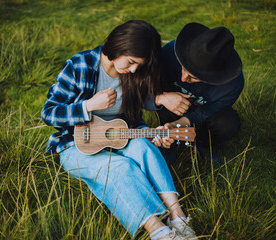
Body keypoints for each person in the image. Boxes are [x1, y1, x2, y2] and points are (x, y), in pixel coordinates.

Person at [41, 20, 197, 240]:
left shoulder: (133, 75)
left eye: (138, 66)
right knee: (118, 167)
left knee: (144, 147)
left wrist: (155, 135)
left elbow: (132, 122)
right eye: (132, 62)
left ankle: (177, 216)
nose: (133, 69)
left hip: (119, 137)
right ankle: (159, 231)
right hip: (75, 145)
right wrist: (89, 106)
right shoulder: (80, 65)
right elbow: (49, 113)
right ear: (119, 45)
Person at [151, 22, 244, 167]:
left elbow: (205, 112)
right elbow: (143, 88)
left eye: (193, 77)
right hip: (169, 108)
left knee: (228, 123)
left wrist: (178, 124)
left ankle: (203, 142)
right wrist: (160, 98)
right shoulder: (171, 52)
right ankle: (170, 143)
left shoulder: (232, 84)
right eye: (183, 68)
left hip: (204, 114)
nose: (183, 79)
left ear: (215, 77)